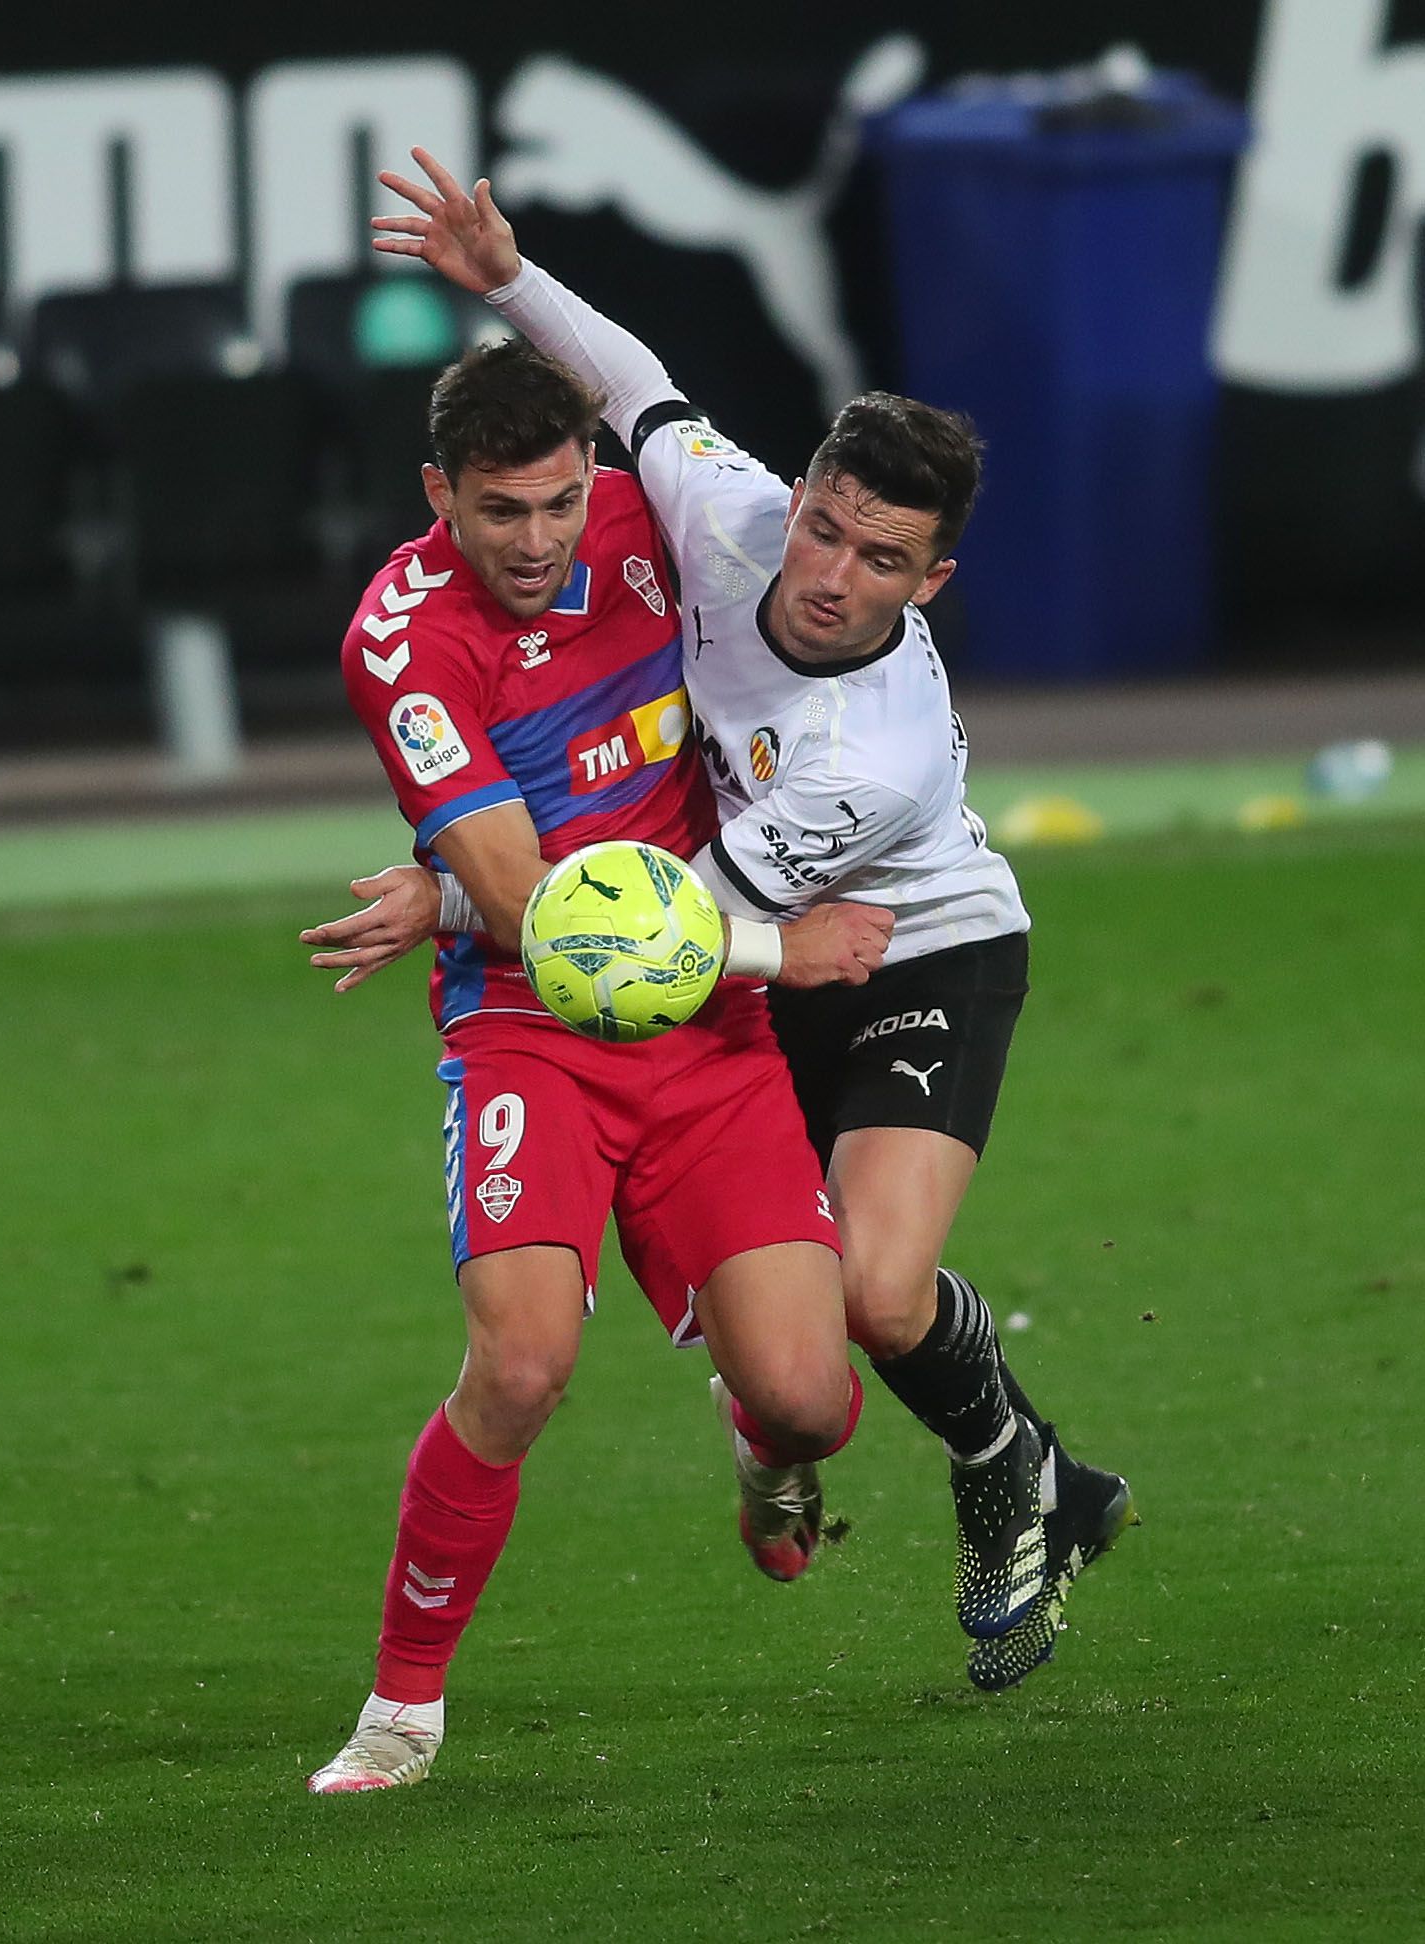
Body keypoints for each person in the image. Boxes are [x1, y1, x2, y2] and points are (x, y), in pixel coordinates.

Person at [312, 147, 1138, 1695]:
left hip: (907, 947)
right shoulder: (734, 513)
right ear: (806, 491)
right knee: (800, 1355)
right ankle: (823, 1447)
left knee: (881, 1297)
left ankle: (1018, 1472)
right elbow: (636, 383)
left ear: (931, 581)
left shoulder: (867, 763)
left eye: (879, 561)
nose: (827, 576)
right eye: (827, 526)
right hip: (760, 957)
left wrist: (444, 893)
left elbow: (643, 931)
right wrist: (501, 276)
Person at [300, 328, 896, 1794]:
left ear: (593, 476)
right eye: (499, 509)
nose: (536, 538)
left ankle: (762, 1447)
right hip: (532, 1035)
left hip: (707, 1044)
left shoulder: (658, 519)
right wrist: (776, 949)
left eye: (559, 501)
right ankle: (402, 1709)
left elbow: (829, 604)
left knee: (812, 1398)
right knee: (518, 1363)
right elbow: (523, 908)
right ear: (437, 492)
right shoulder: (405, 638)